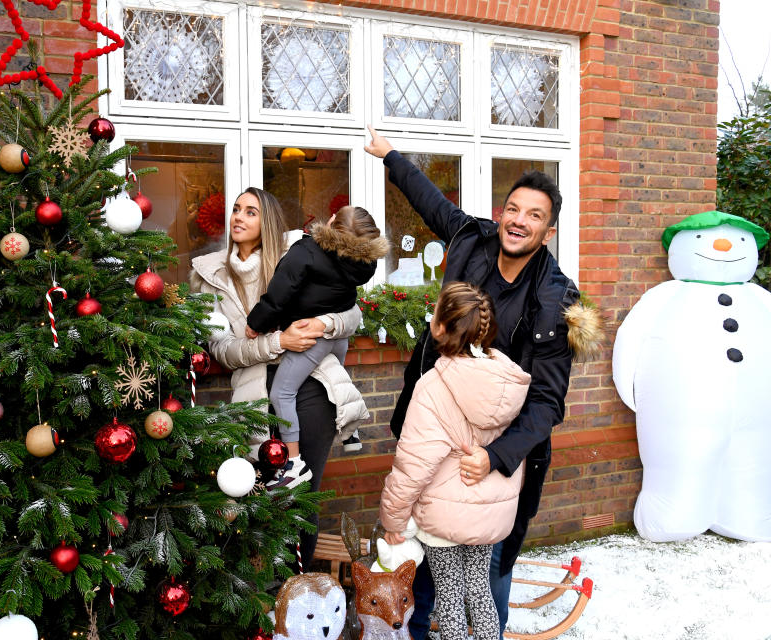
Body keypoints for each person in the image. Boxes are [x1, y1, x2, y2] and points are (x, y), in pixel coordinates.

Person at [365, 127, 579, 639]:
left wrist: (498, 455)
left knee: (489, 571)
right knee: (425, 557)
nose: (518, 221)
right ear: (501, 212)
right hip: (435, 429)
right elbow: (432, 204)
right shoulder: (471, 239)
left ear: (548, 232)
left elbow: (549, 400)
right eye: (513, 209)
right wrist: (392, 155)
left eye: (534, 216)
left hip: (498, 458)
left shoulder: (555, 300)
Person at [189, 187, 368, 569]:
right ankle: (261, 597)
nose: (238, 217)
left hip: (314, 388)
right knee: (252, 495)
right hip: (254, 396)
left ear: (266, 221)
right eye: (236, 209)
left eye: (250, 212)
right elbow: (222, 349)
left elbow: (351, 312)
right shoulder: (208, 276)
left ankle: (300, 592)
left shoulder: (298, 253)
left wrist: (324, 322)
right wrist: (277, 342)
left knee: (301, 495)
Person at [379, 282, 531, 640]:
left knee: (448, 595)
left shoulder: (434, 385)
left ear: (440, 327)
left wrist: (393, 518)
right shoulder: (506, 379)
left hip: (444, 513)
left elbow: (414, 464)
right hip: (490, 510)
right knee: (478, 589)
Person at [244, 206, 389, 489]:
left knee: (282, 392)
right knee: (338, 380)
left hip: (311, 337)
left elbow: (278, 294)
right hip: (338, 335)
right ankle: (351, 434)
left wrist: (256, 323)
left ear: (332, 221)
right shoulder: (363, 262)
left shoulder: (307, 251)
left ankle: (294, 464)